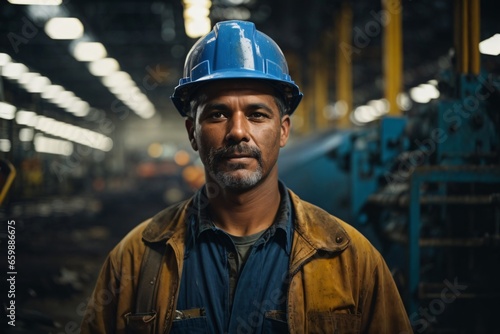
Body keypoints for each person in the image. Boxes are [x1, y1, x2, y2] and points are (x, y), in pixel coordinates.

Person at [81, 20, 412, 334]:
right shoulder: (135, 261)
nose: (237, 131)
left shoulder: (352, 261)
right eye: (217, 113)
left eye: (257, 114)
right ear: (192, 132)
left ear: (283, 131)